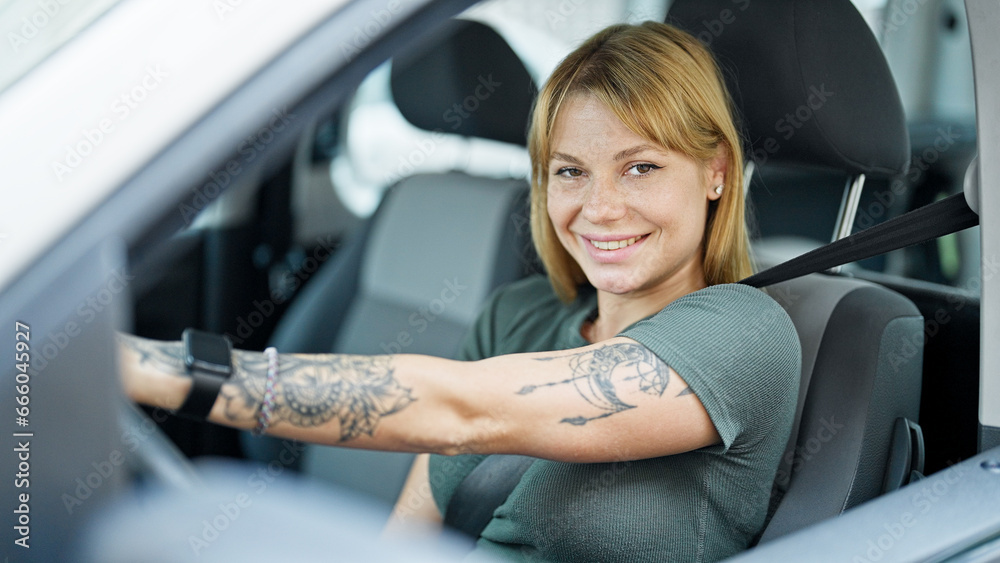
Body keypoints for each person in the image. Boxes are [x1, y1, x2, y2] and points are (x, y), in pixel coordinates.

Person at [119, 20, 801, 562]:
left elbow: (457, 410)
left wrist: (164, 371)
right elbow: (413, 530)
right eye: (569, 171)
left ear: (716, 173)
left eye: (641, 167)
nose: (600, 208)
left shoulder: (742, 334)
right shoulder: (518, 315)